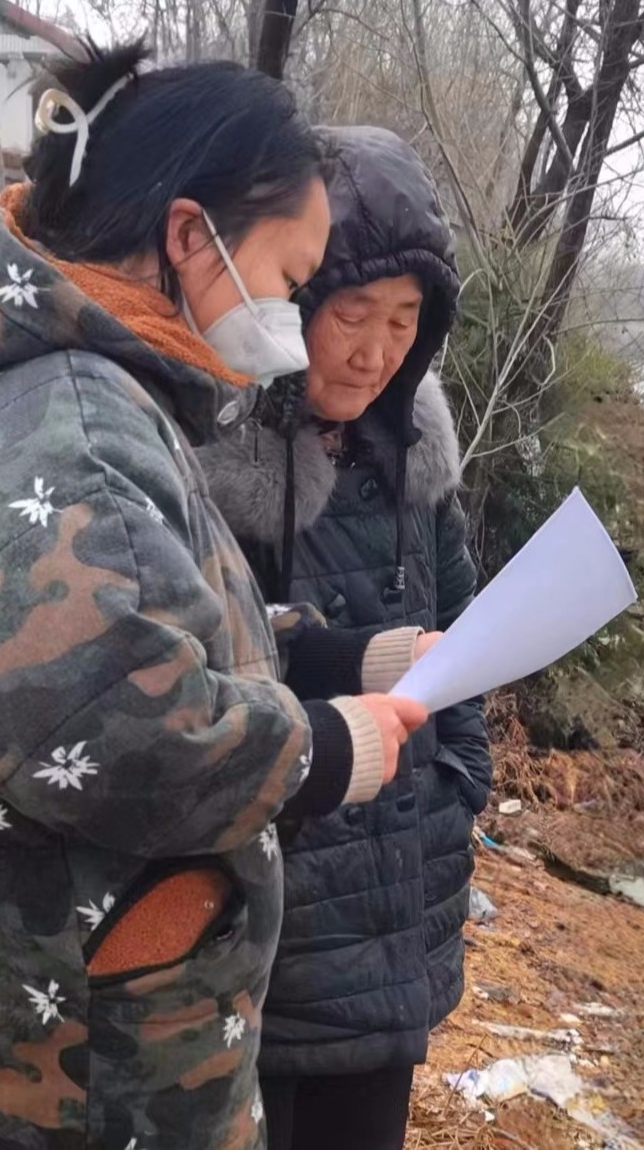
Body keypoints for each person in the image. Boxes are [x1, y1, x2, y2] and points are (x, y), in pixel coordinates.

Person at [0, 47, 427, 1150]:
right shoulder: (71, 422)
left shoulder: (95, 394)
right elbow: (112, 723)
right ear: (188, 236)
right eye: (289, 278)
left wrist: (344, 658)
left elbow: (149, 624)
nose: (289, 315)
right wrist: (323, 749)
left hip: (98, 1016)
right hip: (94, 1060)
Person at [197, 125, 493, 1150]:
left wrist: (458, 780)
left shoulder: (416, 454)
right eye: (352, 314)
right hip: (265, 914)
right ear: (293, 304)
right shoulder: (213, 455)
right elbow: (207, 668)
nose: (376, 350)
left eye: (405, 320)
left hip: (396, 899)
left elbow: (463, 634)